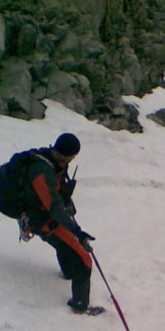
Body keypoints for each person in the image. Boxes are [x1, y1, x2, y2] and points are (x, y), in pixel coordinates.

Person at [23, 133, 104, 315]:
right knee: (84, 259)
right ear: (65, 154)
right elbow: (54, 207)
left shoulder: (52, 163)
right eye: (72, 156)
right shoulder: (41, 171)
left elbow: (56, 197)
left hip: (44, 216)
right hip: (42, 220)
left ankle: (68, 273)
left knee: (65, 245)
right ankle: (80, 307)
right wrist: (77, 231)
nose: (73, 159)